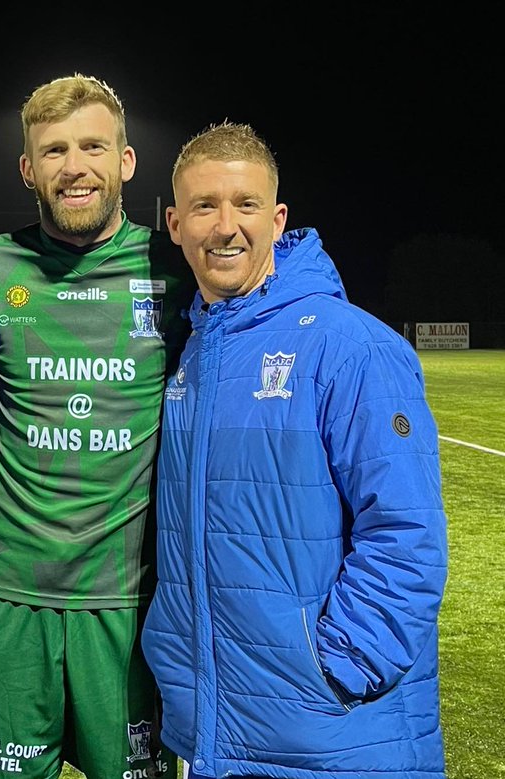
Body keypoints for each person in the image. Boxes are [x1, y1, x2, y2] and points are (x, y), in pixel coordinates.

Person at [141, 121, 448, 778]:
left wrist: (337, 666)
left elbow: (408, 535)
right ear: (173, 223)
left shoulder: (350, 345)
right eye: (204, 206)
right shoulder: (192, 353)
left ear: (277, 218)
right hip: (220, 734)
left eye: (245, 204)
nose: (226, 226)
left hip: (334, 740)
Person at [0, 73, 196, 779]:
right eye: (54, 150)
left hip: (127, 601)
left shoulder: (171, 269)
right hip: (10, 592)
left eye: (93, 145)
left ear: (125, 160)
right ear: (28, 169)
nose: (74, 165)